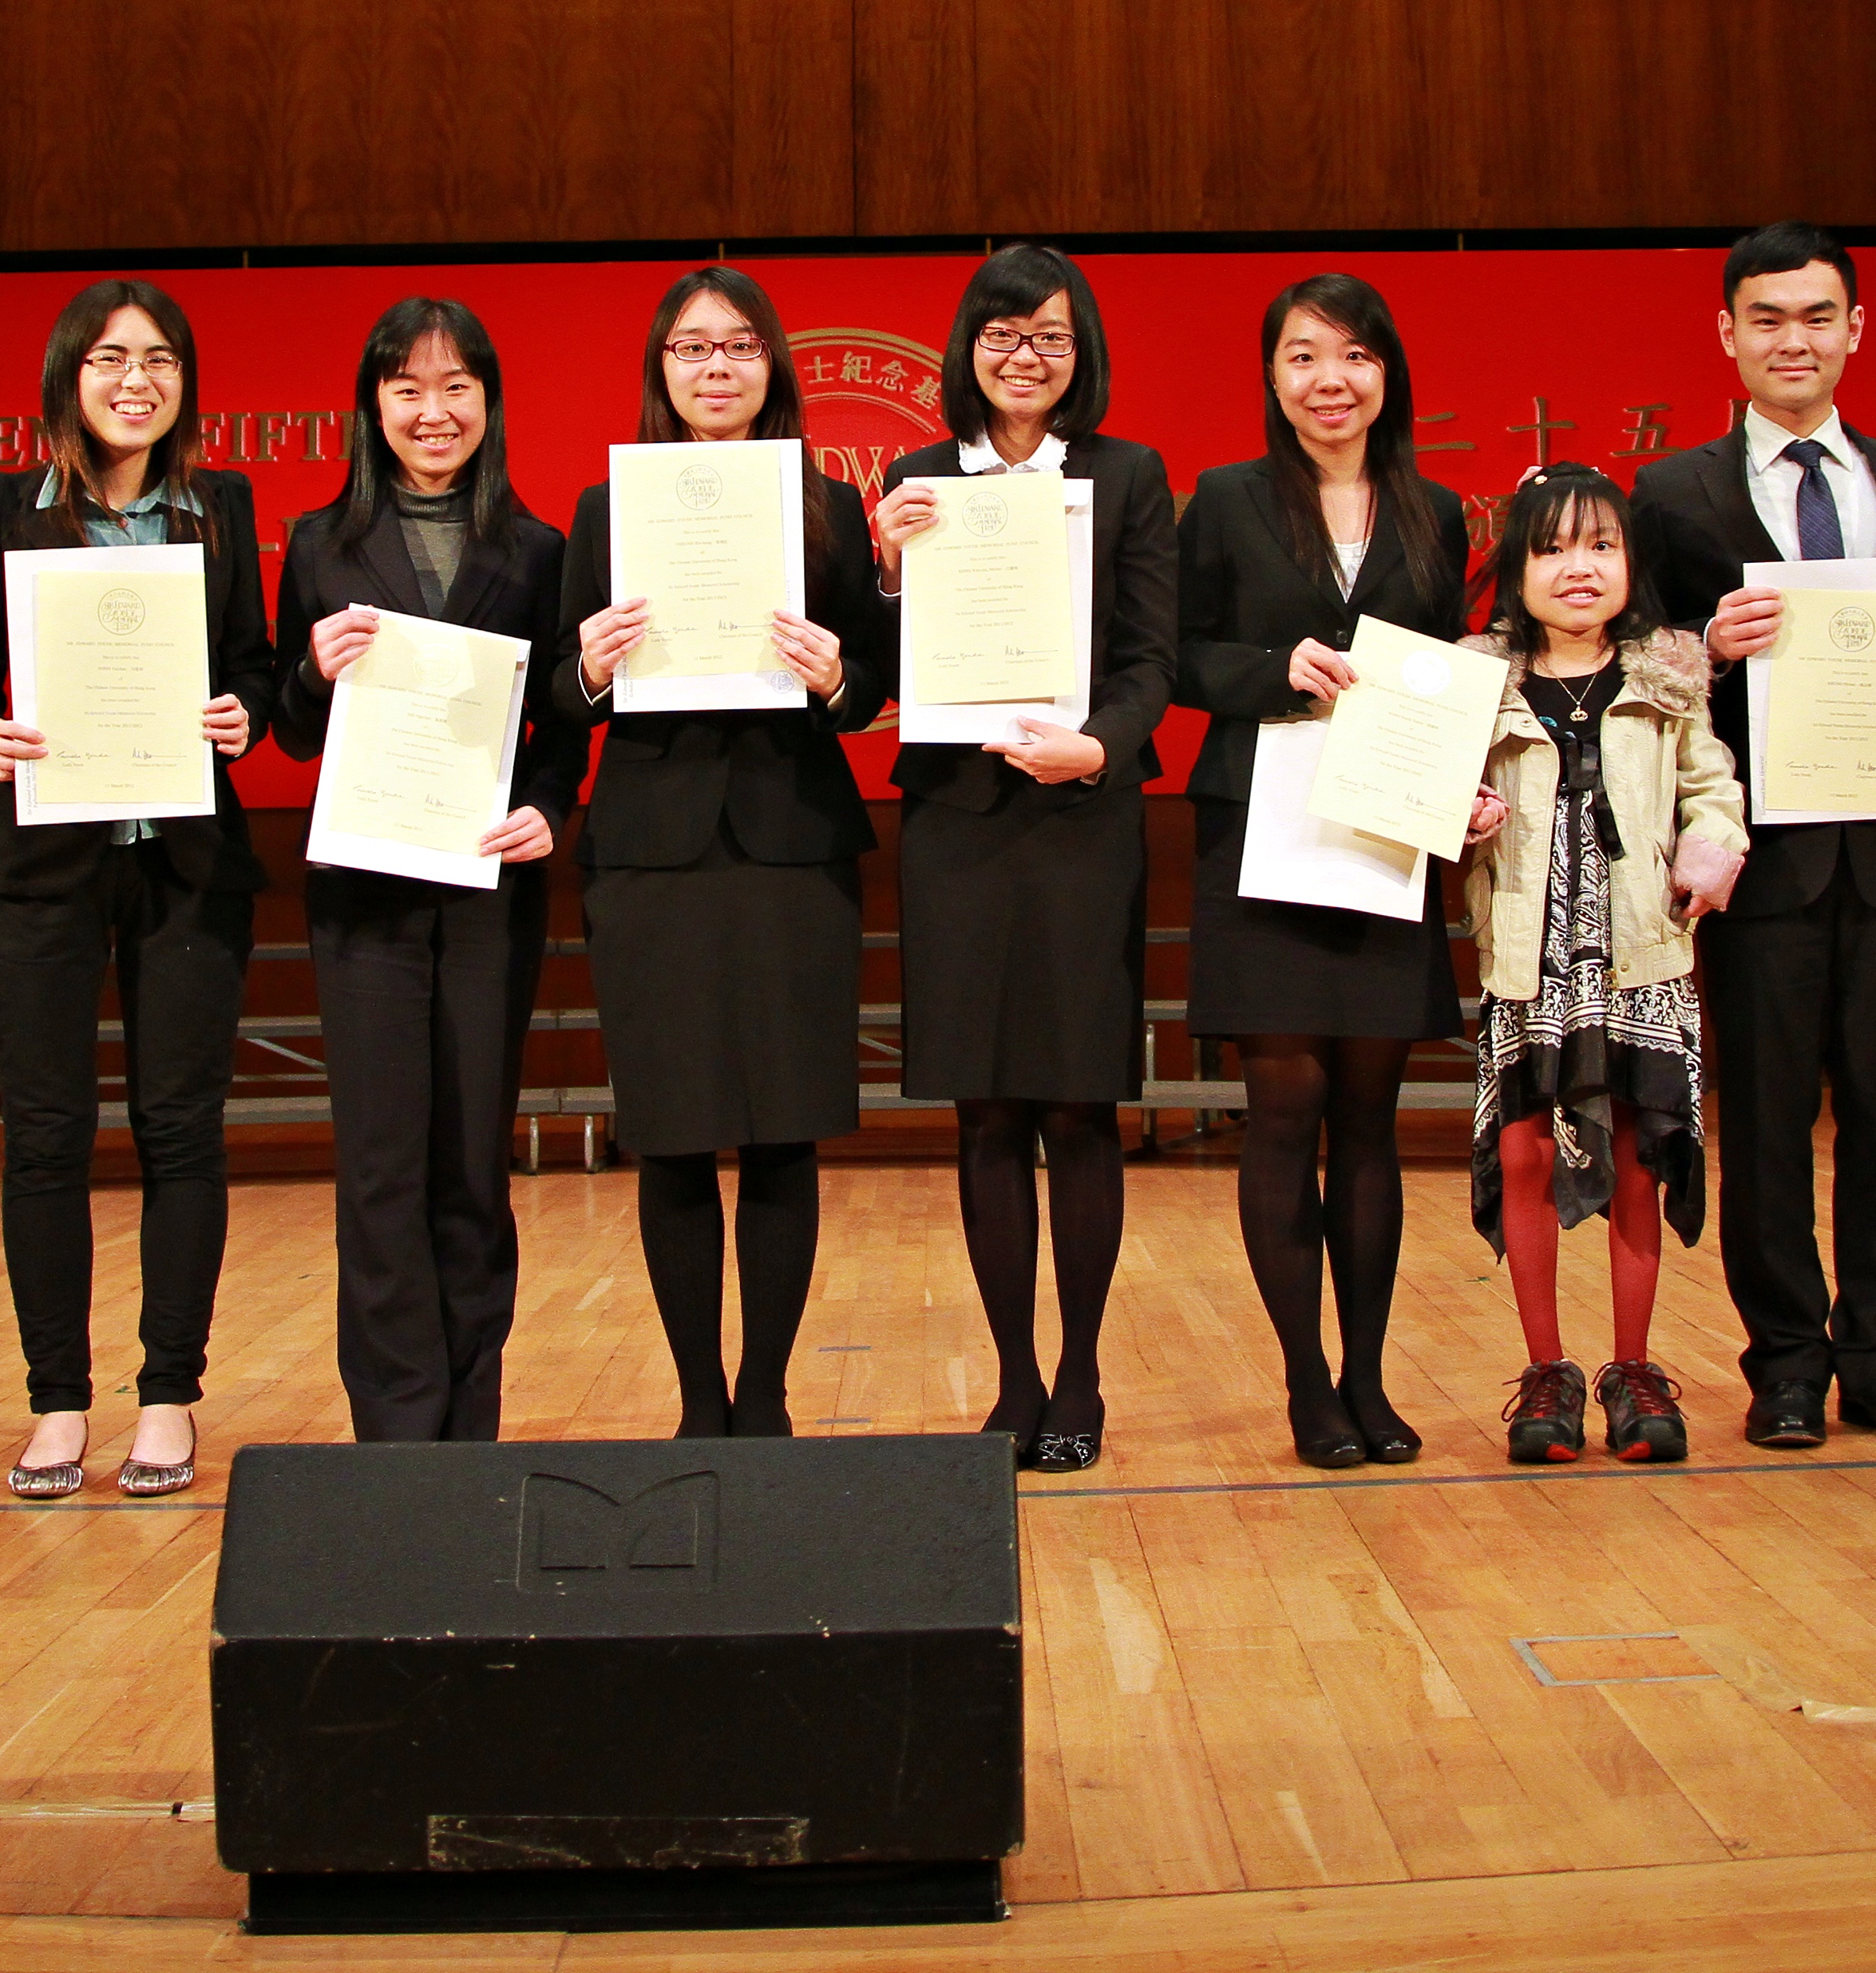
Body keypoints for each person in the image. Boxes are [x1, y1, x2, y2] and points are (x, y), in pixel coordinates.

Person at [1631, 224, 1876, 1453]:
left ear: (1856, 330)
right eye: (1768, 318)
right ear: (1727, 334)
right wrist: (1701, 649)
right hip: (1761, 862)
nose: (1796, 339)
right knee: (1771, 1127)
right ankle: (1785, 1363)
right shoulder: (1675, 492)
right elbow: (1634, 668)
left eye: (1818, 316)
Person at [0, 281, 276, 1496]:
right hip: (39, 867)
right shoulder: (4, 509)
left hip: (186, 862)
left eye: (160, 362)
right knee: (45, 1136)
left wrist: (244, 711)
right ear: (66, 377)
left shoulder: (222, 506)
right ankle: (57, 1402)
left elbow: (253, 671)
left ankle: (170, 1396)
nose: (136, 381)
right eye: (109, 359)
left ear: (185, 383)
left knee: (181, 1132)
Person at [551, 267, 896, 1437]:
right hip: (651, 853)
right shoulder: (608, 509)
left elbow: (874, 690)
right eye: (692, 349)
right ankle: (701, 1401)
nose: (715, 368)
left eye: (739, 348)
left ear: (772, 368)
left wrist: (839, 675)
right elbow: (557, 694)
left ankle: (767, 1394)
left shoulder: (827, 506)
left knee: (785, 1127)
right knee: (673, 1133)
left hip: (793, 847)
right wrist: (592, 667)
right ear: (661, 370)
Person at [873, 246, 1181, 1474]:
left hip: (1079, 823)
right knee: (985, 1111)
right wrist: (891, 573)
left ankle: (1084, 1374)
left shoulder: (1129, 476)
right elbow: (884, 664)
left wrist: (1096, 750)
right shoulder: (914, 478)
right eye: (1004, 334)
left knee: (1078, 1103)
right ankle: (1012, 1378)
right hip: (955, 825)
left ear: (1081, 352)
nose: (1025, 356)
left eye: (1050, 336)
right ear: (968, 348)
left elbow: (1153, 659)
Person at [1175, 272, 1473, 1468]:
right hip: (1264, 828)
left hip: (1385, 833)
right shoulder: (1229, 501)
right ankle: (1305, 1383)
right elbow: (1182, 656)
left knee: (1370, 1117)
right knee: (1283, 1109)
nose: (1329, 380)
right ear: (1272, 378)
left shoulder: (1436, 511)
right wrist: (1273, 669)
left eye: (1353, 356)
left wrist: (1465, 778)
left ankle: (1367, 1375)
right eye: (1303, 357)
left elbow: (1450, 667)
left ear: (1387, 375)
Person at [273, 296, 574, 1440]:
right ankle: (396, 1429)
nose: (433, 411)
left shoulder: (539, 548)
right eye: (408, 389)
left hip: (490, 896)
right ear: (373, 406)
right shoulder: (319, 543)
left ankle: (470, 1422)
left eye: (457, 388)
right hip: (364, 902)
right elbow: (294, 731)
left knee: (471, 1173)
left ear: (489, 404)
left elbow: (558, 723)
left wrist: (548, 807)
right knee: (382, 1172)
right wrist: (309, 667)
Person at [1457, 467, 1746, 1464]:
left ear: (1630, 564)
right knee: (1530, 1153)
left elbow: (1712, 788)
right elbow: (1423, 795)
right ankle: (1547, 1373)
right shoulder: (1473, 681)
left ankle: (1633, 1370)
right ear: (1514, 569)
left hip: (1642, 951)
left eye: (1601, 547)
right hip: (1527, 955)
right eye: (1551, 549)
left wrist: (1712, 849)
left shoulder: (1669, 678)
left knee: (1635, 1156)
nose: (1578, 568)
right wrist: (1459, 816)